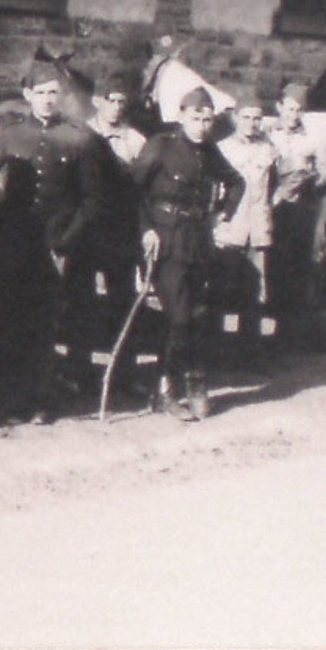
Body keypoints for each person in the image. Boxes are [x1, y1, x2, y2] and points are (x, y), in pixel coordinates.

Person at [0, 59, 108, 423]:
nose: (47, 100)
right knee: (13, 319)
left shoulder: (79, 139)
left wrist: (66, 240)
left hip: (57, 244)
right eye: (40, 93)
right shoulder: (11, 135)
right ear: (27, 95)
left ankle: (42, 399)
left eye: (53, 93)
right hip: (15, 245)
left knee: (46, 322)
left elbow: (92, 200)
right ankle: (12, 401)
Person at [132, 86, 246, 420]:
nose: (202, 124)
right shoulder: (161, 146)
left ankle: (196, 383)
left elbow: (237, 182)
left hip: (198, 241)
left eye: (208, 118)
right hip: (165, 241)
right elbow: (132, 192)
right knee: (178, 316)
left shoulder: (209, 151)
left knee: (198, 316)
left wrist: (223, 212)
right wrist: (145, 230)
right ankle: (164, 390)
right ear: (182, 116)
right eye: (196, 117)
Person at [83, 72, 149, 390]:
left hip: (121, 230)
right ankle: (77, 370)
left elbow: (143, 189)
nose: (117, 107)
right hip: (87, 230)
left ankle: (124, 372)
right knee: (80, 299)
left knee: (122, 300)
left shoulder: (135, 141)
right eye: (111, 100)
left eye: (123, 101)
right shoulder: (81, 135)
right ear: (97, 101)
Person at [214, 90, 279, 348]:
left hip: (258, 229)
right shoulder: (222, 149)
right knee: (223, 288)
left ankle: (249, 352)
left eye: (257, 118)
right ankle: (217, 349)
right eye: (246, 117)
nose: (252, 123)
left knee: (255, 292)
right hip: (230, 228)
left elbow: (276, 185)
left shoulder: (269, 150)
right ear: (235, 118)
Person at [266, 82, 323, 346]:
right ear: (279, 107)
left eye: (298, 110)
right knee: (272, 266)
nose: (293, 114)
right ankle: (270, 323)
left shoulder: (311, 139)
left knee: (297, 267)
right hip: (270, 210)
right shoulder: (267, 133)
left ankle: (289, 331)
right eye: (289, 109)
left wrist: (313, 179)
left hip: (300, 211)